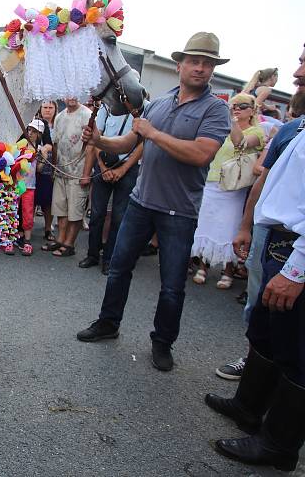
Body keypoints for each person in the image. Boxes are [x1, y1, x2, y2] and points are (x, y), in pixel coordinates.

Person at [76, 32, 231, 371]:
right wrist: (100, 139)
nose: (200, 68)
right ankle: (108, 323)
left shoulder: (216, 110)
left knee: (173, 286)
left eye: (208, 63)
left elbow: (201, 154)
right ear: (180, 65)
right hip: (141, 202)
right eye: (194, 61)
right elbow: (129, 143)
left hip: (179, 212)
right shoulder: (160, 103)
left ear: (213, 70)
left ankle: (162, 343)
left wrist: (154, 134)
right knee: (118, 269)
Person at [207, 94, 305, 472]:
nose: (297, 73)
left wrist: (297, 269)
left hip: (295, 251)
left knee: (296, 349)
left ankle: (279, 446)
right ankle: (248, 408)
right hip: (279, 240)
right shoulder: (299, 125)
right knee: (265, 330)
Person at [215, 91, 305, 381]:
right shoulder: (293, 129)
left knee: (291, 331)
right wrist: (246, 226)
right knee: (259, 310)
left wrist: (297, 267)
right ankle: (251, 390)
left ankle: (280, 409)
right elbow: (263, 180)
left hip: (296, 244)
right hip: (269, 234)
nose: (297, 73)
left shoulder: (267, 129)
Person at [189, 93, 265, 289]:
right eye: (234, 105)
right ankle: (202, 267)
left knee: (229, 229)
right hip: (212, 181)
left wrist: (232, 121)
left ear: (252, 110)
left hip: (234, 188)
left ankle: (228, 270)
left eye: (243, 106)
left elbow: (240, 143)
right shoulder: (222, 127)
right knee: (205, 226)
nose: (237, 108)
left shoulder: (257, 132)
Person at [78, 103, 144, 275]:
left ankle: (109, 259)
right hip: (104, 164)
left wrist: (122, 169)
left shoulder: (144, 109)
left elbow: (141, 145)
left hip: (128, 168)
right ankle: (92, 255)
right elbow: (97, 139)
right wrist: (102, 167)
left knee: (119, 216)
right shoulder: (106, 109)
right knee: (97, 213)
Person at [45, 97, 93, 257]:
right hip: (61, 171)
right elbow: (56, 144)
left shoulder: (88, 115)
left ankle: (69, 244)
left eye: (75, 93)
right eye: (68, 93)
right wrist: (53, 168)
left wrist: (86, 174)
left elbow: (92, 146)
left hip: (78, 173)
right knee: (61, 208)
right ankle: (60, 240)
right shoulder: (59, 117)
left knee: (75, 211)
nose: (71, 97)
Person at [5, 117, 51, 256]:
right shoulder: (20, 147)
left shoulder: (38, 149)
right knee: (13, 211)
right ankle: (10, 240)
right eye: (29, 129)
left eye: (34, 131)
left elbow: (39, 169)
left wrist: (43, 157)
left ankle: (27, 240)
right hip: (17, 184)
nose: (30, 133)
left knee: (28, 213)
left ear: (39, 134)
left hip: (30, 186)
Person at [35, 99, 58, 246]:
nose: (48, 110)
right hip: (33, 167)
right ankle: (26, 227)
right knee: (31, 198)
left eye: (50, 107)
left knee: (48, 200)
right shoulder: (34, 122)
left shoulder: (58, 124)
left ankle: (48, 228)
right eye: (45, 107)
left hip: (50, 166)